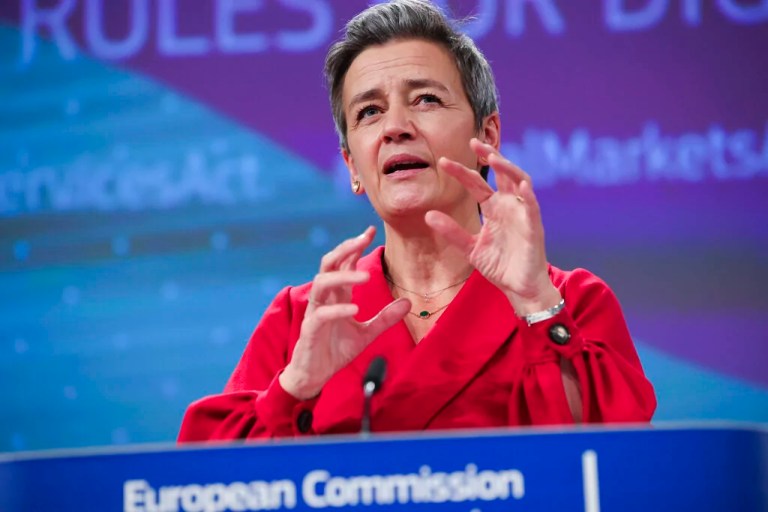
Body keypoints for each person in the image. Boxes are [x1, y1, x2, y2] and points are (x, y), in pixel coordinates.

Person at [178, 0, 655, 441]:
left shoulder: (570, 300)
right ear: (352, 166)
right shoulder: (305, 318)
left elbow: (609, 465)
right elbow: (209, 486)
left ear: (486, 133)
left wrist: (534, 303)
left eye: (426, 100)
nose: (395, 127)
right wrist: (295, 388)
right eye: (369, 112)